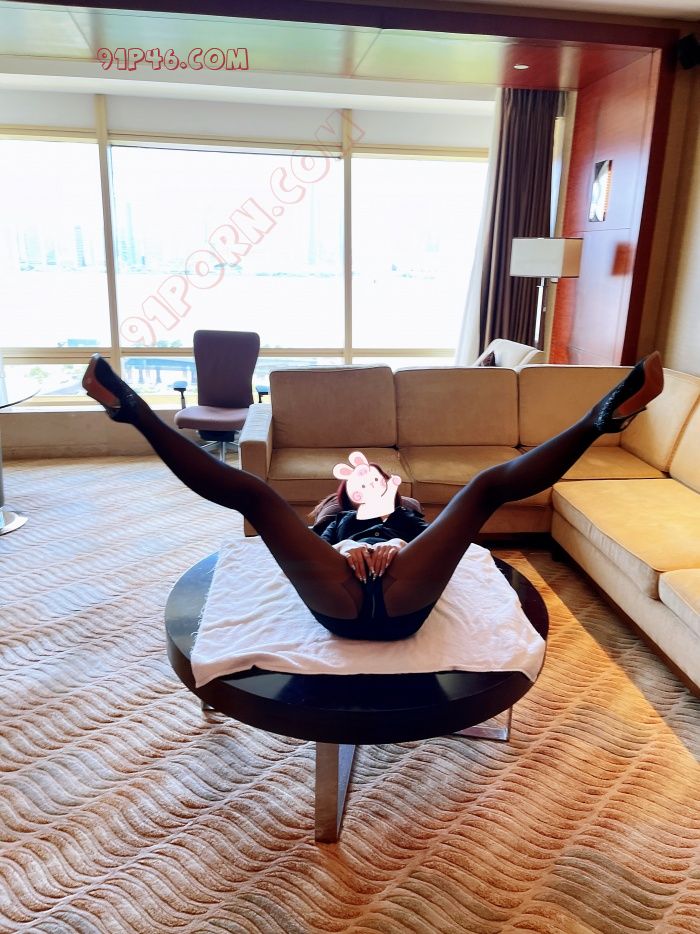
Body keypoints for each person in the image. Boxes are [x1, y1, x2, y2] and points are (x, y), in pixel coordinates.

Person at [82, 352, 664, 642]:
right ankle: (132, 410)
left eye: (377, 478)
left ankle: (601, 419)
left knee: (485, 486)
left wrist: (396, 544)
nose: (367, 483)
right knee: (257, 498)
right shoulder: (330, 519)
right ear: (342, 491)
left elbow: (442, 553)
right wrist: (345, 550)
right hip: (336, 593)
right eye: (356, 483)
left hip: (407, 588)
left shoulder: (409, 514)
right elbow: (303, 556)